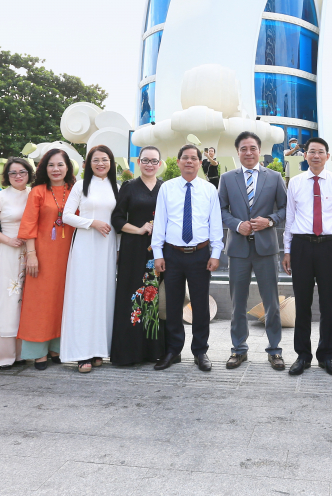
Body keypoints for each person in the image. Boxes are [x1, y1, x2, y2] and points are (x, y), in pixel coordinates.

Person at [151, 144, 224, 371]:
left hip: (200, 254)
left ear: (200, 162)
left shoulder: (209, 189)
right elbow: (160, 222)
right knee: (172, 305)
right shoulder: (167, 188)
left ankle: (200, 351)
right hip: (172, 254)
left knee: (200, 306)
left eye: (194, 158)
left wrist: (215, 253)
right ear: (179, 161)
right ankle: (173, 351)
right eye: (185, 158)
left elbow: (215, 224)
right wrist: (158, 253)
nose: (189, 161)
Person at [282, 136, 332, 377]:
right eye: (312, 151)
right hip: (301, 246)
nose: (316, 156)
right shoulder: (296, 183)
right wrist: (287, 250)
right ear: (305, 155)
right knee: (302, 303)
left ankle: (327, 355)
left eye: (321, 152)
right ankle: (302, 355)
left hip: (329, 247)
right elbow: (290, 219)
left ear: (328, 156)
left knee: (328, 304)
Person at [219, 131, 288, 370]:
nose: (248, 153)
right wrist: (238, 225)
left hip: (266, 249)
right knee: (237, 304)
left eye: (252, 148)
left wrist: (269, 221)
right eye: (243, 149)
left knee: (272, 304)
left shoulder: (275, 177)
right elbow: (221, 210)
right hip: (238, 249)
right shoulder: (227, 178)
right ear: (238, 152)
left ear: (260, 151)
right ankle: (238, 350)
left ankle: (275, 351)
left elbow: (285, 209)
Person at [61, 145, 119, 373]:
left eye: (105, 159)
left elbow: (120, 219)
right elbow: (66, 216)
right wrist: (91, 222)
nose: (100, 163)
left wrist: (118, 249)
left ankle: (98, 351)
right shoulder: (80, 186)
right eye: (96, 160)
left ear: (111, 163)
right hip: (85, 245)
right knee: (83, 297)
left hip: (107, 246)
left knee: (103, 297)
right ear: (88, 163)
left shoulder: (117, 187)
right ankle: (81, 354)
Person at [17, 149, 76, 371]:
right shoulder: (38, 192)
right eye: (51, 165)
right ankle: (38, 352)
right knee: (39, 302)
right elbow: (29, 224)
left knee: (62, 300)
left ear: (68, 167)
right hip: (42, 254)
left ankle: (57, 348)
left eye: (60, 165)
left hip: (69, 254)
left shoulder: (74, 190)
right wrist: (31, 254)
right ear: (44, 168)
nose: (56, 169)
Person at [110, 146, 167, 366]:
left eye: (154, 161)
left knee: (156, 301)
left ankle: (155, 352)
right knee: (132, 297)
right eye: (146, 160)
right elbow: (116, 219)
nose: (150, 165)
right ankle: (129, 353)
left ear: (160, 164)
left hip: (159, 252)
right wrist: (139, 229)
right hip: (133, 250)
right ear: (138, 162)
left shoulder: (165, 188)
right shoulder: (129, 187)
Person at [0, 156, 33, 369]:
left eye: (22, 172)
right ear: (7, 176)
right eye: (13, 173)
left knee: (27, 300)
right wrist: (9, 240)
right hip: (8, 253)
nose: (18, 176)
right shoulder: (0, 196)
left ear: (29, 174)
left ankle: (24, 353)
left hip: (32, 253)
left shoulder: (35, 194)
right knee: (8, 300)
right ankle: (2, 356)